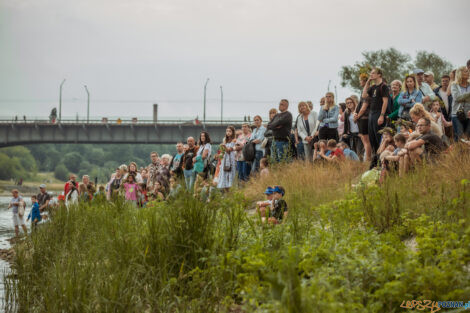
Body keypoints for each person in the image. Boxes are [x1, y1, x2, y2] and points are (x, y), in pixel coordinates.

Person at [362, 68, 390, 154]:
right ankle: (375, 160)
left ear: (379, 75)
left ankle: (380, 159)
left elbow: (385, 102)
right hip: (371, 114)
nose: (371, 74)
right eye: (371, 73)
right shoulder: (373, 87)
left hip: (378, 113)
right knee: (372, 138)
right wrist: (367, 82)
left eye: (373, 73)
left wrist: (381, 115)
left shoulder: (383, 86)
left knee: (379, 137)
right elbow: (364, 95)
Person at [354, 74, 372, 161]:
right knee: (364, 139)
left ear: (365, 81)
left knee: (366, 140)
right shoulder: (363, 91)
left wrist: (357, 116)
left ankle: (368, 159)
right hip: (362, 118)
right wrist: (355, 113)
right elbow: (359, 105)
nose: (360, 82)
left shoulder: (368, 91)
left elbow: (364, 106)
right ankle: (367, 158)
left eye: (361, 80)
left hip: (364, 118)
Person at [450, 66, 470, 140]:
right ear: (460, 73)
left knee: (467, 137)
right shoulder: (454, 85)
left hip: (469, 114)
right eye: (466, 71)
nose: (468, 73)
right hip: (457, 114)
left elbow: (461, 97)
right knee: (460, 137)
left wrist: (464, 97)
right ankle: (457, 151)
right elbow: (457, 97)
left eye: (468, 71)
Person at [217, 126, 237, 191]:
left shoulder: (234, 140)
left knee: (230, 174)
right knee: (224, 174)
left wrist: (224, 147)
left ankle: (231, 189)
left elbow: (229, 151)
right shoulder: (225, 140)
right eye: (227, 131)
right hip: (225, 159)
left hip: (231, 159)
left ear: (233, 132)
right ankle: (225, 189)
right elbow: (223, 152)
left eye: (230, 131)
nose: (228, 133)